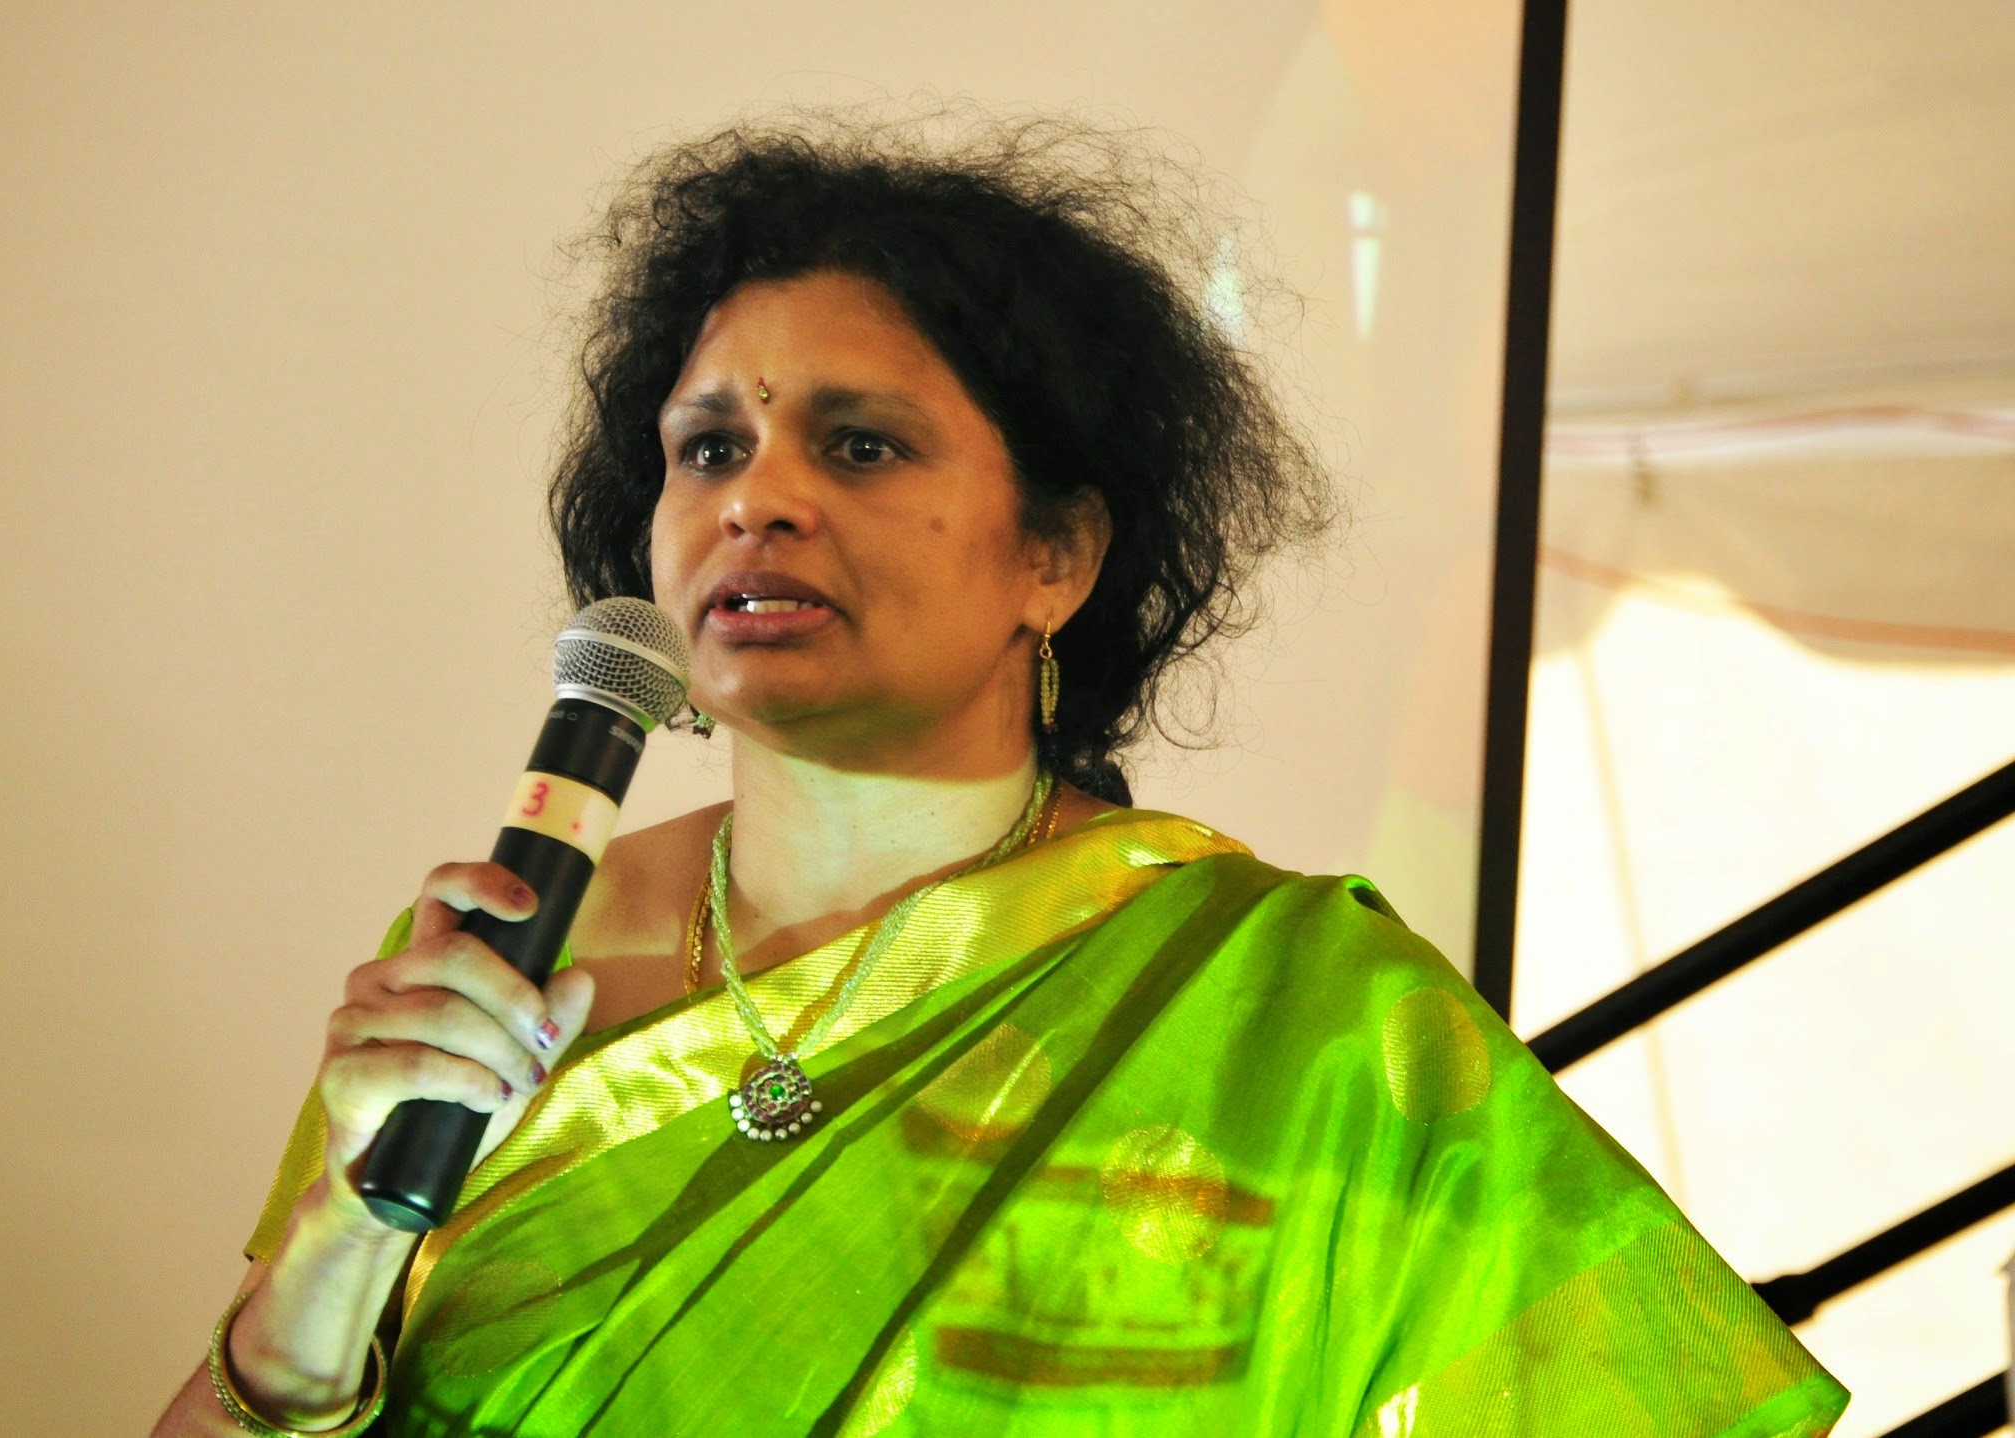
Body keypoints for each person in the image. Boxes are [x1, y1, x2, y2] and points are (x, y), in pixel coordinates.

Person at [153, 110, 1849, 1437]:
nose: (757, 497)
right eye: (709, 446)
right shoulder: (493, 963)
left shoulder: (1308, 1024)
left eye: (861, 443)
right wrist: (339, 1233)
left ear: (1057, 554)